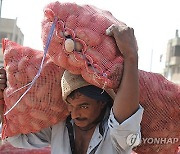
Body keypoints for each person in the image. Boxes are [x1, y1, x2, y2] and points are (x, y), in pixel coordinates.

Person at [0, 24, 144, 154]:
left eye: (84, 106)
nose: (75, 114)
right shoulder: (60, 126)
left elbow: (125, 121)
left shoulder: (115, 135)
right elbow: (16, 137)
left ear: (102, 102)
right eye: (70, 105)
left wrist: (131, 55)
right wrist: (3, 97)